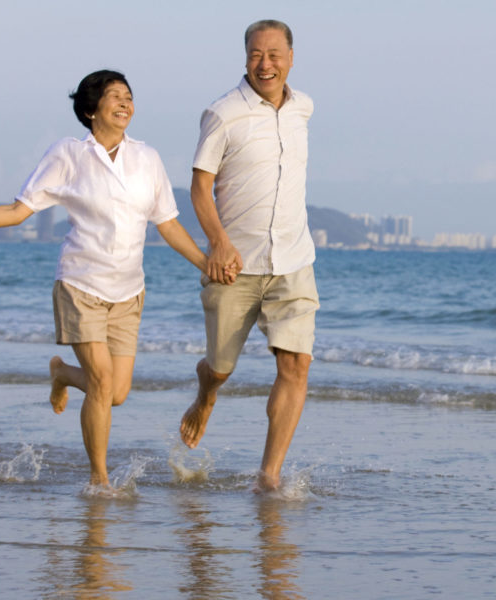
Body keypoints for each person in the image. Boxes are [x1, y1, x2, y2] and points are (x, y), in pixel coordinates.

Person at [0, 70, 228, 489]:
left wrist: (206, 263)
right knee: (99, 381)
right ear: (91, 109)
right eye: (115, 96)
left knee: (116, 393)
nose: (125, 103)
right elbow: (17, 211)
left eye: (129, 96)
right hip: (81, 284)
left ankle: (60, 372)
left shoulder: (147, 158)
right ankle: (100, 480)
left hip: (129, 291)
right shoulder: (68, 155)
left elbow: (167, 225)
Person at [180, 19, 319, 493]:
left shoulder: (303, 108)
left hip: (294, 261)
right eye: (257, 55)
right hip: (236, 264)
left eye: (275, 54)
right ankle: (206, 394)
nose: (266, 64)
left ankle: (269, 475)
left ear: (291, 58)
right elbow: (199, 186)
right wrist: (218, 241)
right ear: (245, 59)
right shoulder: (222, 114)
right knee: (221, 367)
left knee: (296, 365)